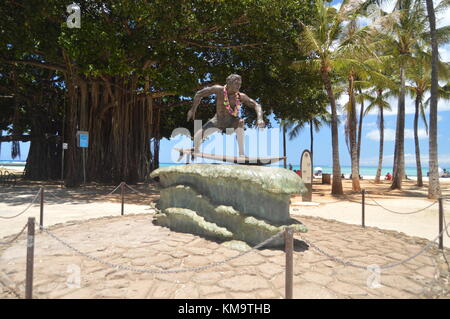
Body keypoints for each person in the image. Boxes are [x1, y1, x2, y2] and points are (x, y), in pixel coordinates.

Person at [187, 74, 265, 157]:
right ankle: (196, 148)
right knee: (197, 137)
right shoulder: (218, 90)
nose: (238, 86)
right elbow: (199, 94)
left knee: (241, 122)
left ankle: (241, 153)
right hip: (217, 121)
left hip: (231, 122)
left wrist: (260, 118)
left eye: (240, 84)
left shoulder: (240, 96)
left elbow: (256, 105)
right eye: (236, 84)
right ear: (229, 83)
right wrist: (193, 109)